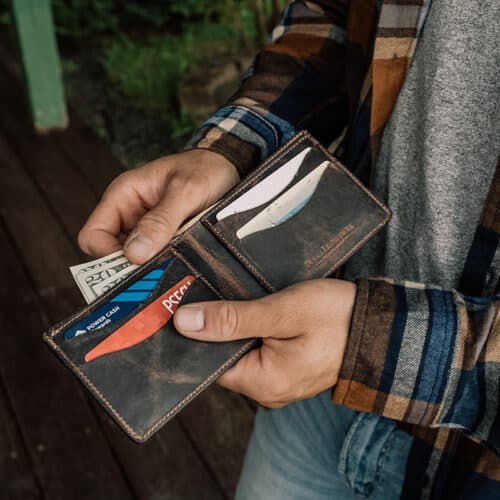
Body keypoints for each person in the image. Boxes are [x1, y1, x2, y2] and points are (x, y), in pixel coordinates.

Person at [78, 1, 499, 498]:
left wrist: (371, 344)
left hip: (474, 462)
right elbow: (331, 15)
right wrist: (229, 150)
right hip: (319, 359)